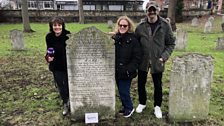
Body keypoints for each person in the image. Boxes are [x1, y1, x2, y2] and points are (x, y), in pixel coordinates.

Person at [135, 0, 175, 119]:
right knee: (141, 83)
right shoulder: (140, 26)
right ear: (146, 11)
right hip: (143, 60)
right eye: (149, 10)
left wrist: (164, 57)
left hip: (158, 60)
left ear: (158, 10)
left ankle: (157, 106)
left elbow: (171, 43)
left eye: (153, 10)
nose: (151, 12)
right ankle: (142, 103)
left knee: (158, 84)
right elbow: (135, 43)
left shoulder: (165, 25)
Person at [110, 16, 142, 118]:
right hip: (117, 71)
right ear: (118, 26)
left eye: (125, 25)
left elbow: (137, 57)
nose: (122, 27)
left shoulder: (133, 40)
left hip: (127, 71)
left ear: (129, 27)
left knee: (124, 91)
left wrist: (129, 70)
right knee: (120, 91)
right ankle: (124, 106)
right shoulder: (116, 38)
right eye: (120, 25)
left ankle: (129, 108)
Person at [45, 17, 71, 116]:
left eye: (59, 25)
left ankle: (71, 101)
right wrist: (48, 58)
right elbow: (48, 50)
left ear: (62, 26)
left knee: (69, 85)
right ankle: (65, 103)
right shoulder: (49, 37)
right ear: (52, 26)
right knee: (61, 86)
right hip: (56, 66)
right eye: (55, 25)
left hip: (67, 65)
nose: (57, 27)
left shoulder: (68, 35)